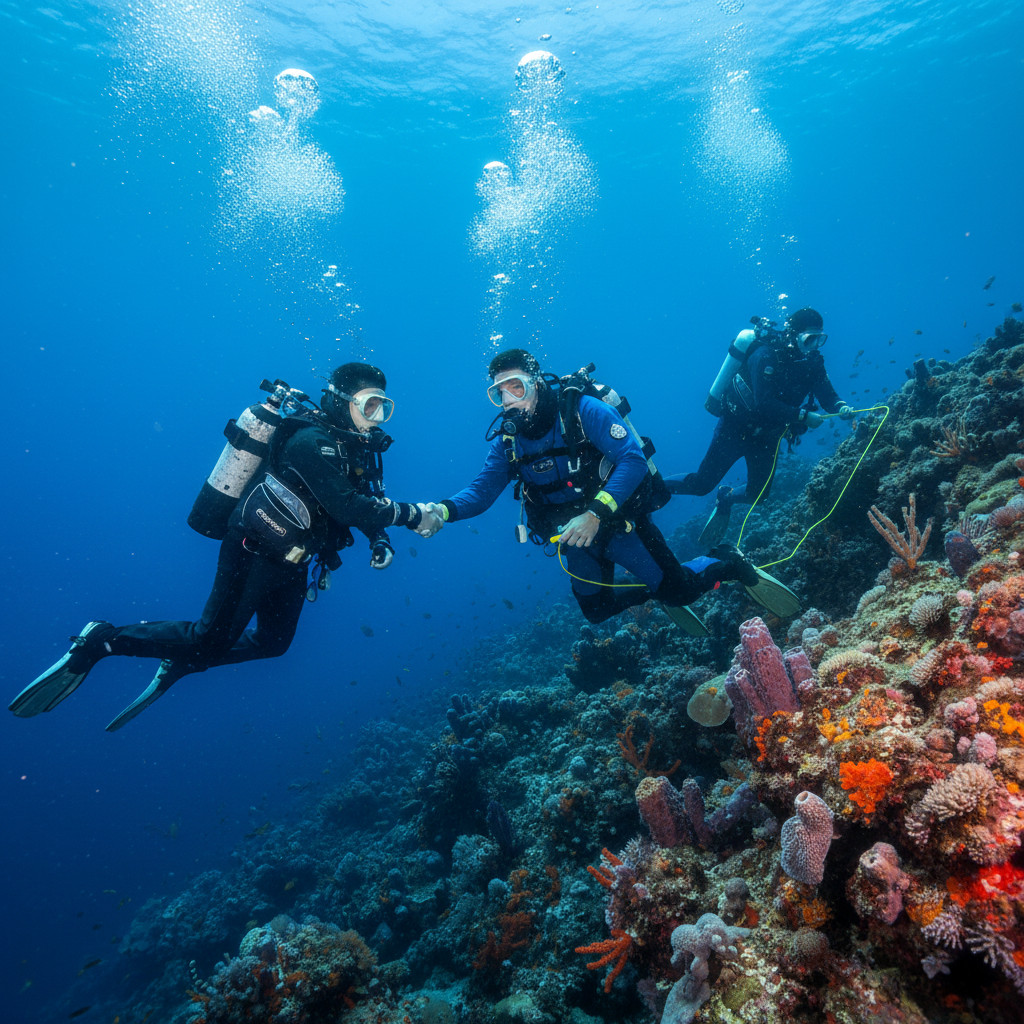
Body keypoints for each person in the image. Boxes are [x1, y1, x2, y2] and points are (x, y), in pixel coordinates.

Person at [10, 363, 443, 731]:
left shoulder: (355, 448)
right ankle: (101, 641)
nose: (377, 417)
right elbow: (346, 504)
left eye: (383, 407)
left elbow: (365, 498)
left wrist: (379, 537)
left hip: (294, 557)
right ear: (340, 400)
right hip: (252, 548)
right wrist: (413, 515)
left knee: (274, 644)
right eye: (370, 405)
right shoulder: (310, 442)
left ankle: (182, 661)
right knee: (208, 637)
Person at [417, 348, 799, 634]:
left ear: (535, 381)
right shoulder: (508, 440)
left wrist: (595, 513)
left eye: (515, 386)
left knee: (681, 591)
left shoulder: (583, 411)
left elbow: (631, 459)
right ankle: (657, 590)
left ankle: (728, 562)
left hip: (617, 523)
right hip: (573, 538)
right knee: (596, 611)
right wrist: (443, 511)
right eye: (498, 392)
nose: (508, 400)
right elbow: (482, 491)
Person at [664, 307, 854, 547]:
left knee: (758, 495)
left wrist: (840, 406)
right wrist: (803, 416)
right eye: (809, 339)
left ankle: (727, 497)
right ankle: (650, 486)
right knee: (702, 485)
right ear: (794, 334)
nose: (814, 345)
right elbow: (763, 403)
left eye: (820, 339)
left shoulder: (813, 362)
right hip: (735, 429)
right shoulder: (765, 354)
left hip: (767, 437)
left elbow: (826, 393)